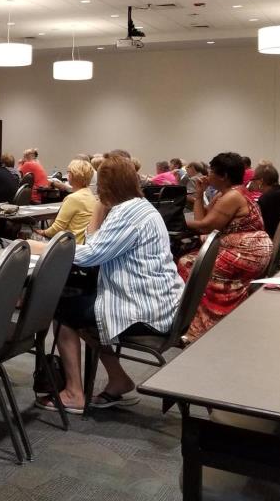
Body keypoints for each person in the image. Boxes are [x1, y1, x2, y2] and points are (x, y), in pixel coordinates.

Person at [31, 153, 183, 412]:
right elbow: (99, 246)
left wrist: (43, 248)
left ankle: (74, 394)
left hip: (142, 309)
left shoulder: (126, 214)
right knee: (82, 307)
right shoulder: (142, 207)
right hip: (157, 299)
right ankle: (118, 379)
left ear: (105, 187)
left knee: (64, 310)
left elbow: (91, 255)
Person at [178, 152, 272, 342]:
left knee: (190, 264)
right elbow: (202, 220)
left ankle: (204, 324)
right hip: (241, 249)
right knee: (189, 260)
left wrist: (170, 222)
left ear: (224, 176)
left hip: (248, 253)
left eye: (211, 171)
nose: (208, 175)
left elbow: (204, 226)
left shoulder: (233, 196)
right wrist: (199, 195)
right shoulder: (226, 194)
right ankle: (196, 319)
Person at [38, 159, 96, 244]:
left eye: (68, 172)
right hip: (82, 242)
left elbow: (57, 228)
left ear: (72, 175)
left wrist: (43, 232)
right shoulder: (91, 195)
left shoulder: (73, 198)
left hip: (70, 244)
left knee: (30, 240)